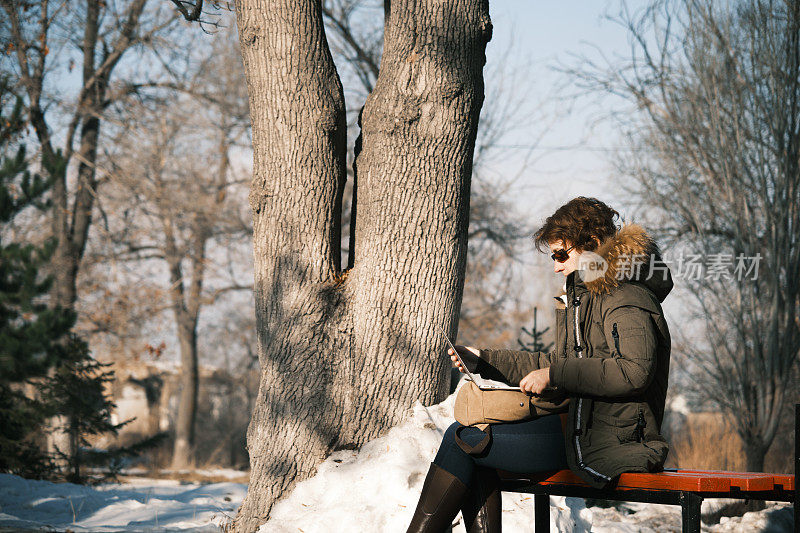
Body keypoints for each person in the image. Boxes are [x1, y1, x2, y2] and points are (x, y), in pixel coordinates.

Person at [405, 197, 673, 533]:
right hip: (580, 427)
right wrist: (486, 360)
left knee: (465, 440)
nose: (557, 265)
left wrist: (556, 374)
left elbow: (633, 371)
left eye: (562, 254)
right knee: (472, 443)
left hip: (610, 441)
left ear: (590, 245)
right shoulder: (587, 296)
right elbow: (561, 364)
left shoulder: (626, 296)